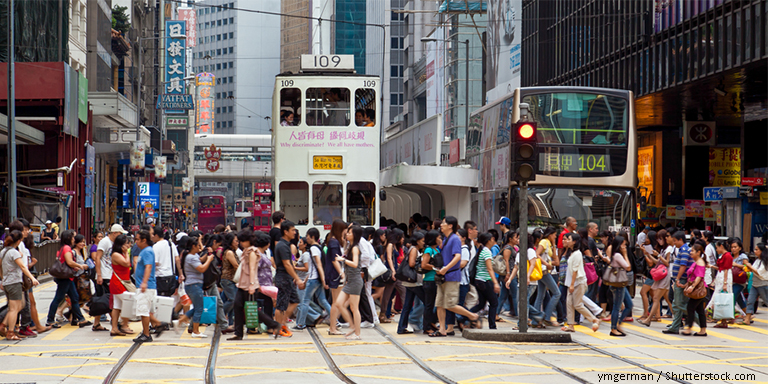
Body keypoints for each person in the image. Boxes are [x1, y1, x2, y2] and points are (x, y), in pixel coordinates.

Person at [229, 231, 280, 340]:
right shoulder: (246, 251)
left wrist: (252, 284)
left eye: (243, 241)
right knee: (238, 306)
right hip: (243, 284)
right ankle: (238, 333)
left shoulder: (252, 252)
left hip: (249, 284)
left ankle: (274, 324)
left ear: (249, 241)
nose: (241, 243)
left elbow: (253, 268)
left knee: (251, 309)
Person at [434, 216, 480, 337]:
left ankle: (472, 316)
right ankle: (442, 329)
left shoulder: (454, 239)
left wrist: (446, 268)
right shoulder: (445, 239)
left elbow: (457, 256)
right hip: (443, 276)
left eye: (443, 223)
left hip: (451, 276)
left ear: (450, 225)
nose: (441, 225)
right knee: (439, 303)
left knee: (450, 304)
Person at [45, 230, 90, 329]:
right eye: (73, 237)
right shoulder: (66, 248)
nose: (74, 239)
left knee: (74, 298)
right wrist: (80, 266)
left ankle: (81, 319)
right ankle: (50, 320)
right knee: (58, 298)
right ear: (68, 238)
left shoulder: (63, 247)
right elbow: (69, 262)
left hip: (68, 277)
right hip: (65, 278)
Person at [1, 230, 40, 340]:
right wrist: (32, 278)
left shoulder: (3, 251)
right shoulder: (14, 252)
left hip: (8, 283)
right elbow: (23, 267)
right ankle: (10, 332)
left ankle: (3, 325)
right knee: (14, 309)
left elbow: (0, 266)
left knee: (20, 305)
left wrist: (2, 279)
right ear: (18, 241)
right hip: (14, 283)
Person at [329, 225, 364, 340]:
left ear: (355, 235)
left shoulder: (355, 248)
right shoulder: (350, 246)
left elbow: (355, 264)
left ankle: (357, 333)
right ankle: (352, 325)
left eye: (349, 233)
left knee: (354, 308)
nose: (347, 234)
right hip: (350, 281)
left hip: (355, 281)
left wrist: (343, 259)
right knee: (339, 303)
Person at [133, 230, 169, 343]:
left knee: (143, 311)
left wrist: (144, 282)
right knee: (143, 310)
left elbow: (148, 267)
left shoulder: (147, 251)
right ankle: (157, 324)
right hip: (145, 286)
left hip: (146, 286)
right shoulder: (145, 251)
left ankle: (146, 334)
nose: (136, 242)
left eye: (138, 239)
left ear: (144, 240)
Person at [561, 232, 600, 332]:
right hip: (571, 283)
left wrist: (572, 284)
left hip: (578, 282)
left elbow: (575, 270)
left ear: (574, 242)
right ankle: (570, 325)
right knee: (569, 303)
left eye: (568, 239)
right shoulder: (572, 253)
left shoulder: (577, 254)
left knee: (577, 304)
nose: (566, 241)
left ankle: (594, 319)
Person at [273, 221, 305, 338]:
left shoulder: (285, 245)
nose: (295, 232)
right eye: (293, 230)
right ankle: (278, 327)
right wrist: (297, 278)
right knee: (281, 304)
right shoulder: (282, 245)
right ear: (285, 232)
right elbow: (287, 264)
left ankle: (282, 324)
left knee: (294, 300)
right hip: (283, 278)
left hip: (287, 278)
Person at [93, 224, 128, 332]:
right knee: (109, 301)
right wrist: (99, 275)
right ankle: (117, 323)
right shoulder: (105, 241)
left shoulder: (113, 243)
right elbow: (97, 258)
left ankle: (96, 323)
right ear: (114, 233)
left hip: (110, 274)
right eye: (120, 233)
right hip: (104, 275)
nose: (121, 235)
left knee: (103, 300)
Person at [296, 228, 331, 330]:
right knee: (323, 301)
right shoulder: (318, 247)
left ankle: (301, 324)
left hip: (314, 279)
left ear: (312, 237)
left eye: (307, 236)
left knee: (305, 301)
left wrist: (323, 280)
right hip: (316, 279)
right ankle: (335, 321)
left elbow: (318, 265)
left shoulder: (313, 249)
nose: (307, 238)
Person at [639, 229, 672, 326]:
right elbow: (657, 262)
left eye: (660, 239)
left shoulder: (668, 249)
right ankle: (678, 320)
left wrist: (658, 256)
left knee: (656, 298)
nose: (659, 241)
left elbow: (666, 263)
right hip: (661, 275)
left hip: (664, 275)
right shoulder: (663, 249)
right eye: (658, 239)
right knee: (667, 299)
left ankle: (648, 319)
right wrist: (648, 254)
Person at [663, 231, 693, 335]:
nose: (674, 243)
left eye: (675, 240)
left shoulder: (684, 250)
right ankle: (675, 327)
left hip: (682, 280)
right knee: (676, 304)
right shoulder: (681, 250)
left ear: (680, 240)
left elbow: (683, 266)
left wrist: (677, 279)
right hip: (679, 280)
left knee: (680, 304)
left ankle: (697, 319)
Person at [469, 233, 501, 329]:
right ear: (488, 241)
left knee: (481, 304)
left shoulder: (482, 250)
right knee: (494, 302)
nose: (493, 241)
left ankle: (465, 316)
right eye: (492, 239)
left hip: (479, 281)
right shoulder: (487, 252)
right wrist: (495, 283)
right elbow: (489, 269)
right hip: (485, 281)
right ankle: (492, 326)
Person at [397, 231, 426, 334]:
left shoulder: (414, 249)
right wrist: (422, 263)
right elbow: (412, 263)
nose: (424, 242)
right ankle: (427, 325)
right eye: (422, 241)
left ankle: (401, 328)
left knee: (407, 305)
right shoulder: (414, 250)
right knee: (427, 302)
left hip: (411, 282)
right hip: (414, 282)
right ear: (417, 241)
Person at [108, 234, 135, 337]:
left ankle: (115, 328)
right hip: (118, 283)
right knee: (128, 302)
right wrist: (126, 253)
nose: (129, 245)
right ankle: (124, 324)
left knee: (117, 306)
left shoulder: (120, 253)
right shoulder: (116, 254)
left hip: (123, 282)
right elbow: (126, 263)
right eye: (127, 243)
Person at [535, 227, 561, 327]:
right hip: (544, 271)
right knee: (557, 293)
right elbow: (537, 254)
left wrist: (554, 244)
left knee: (540, 296)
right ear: (550, 234)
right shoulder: (543, 242)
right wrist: (546, 263)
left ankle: (535, 320)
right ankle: (547, 316)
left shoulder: (549, 243)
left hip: (544, 271)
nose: (555, 236)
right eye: (554, 235)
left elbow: (555, 258)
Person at [608, 236, 633, 337]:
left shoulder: (617, 255)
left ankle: (618, 324)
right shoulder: (618, 255)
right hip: (617, 284)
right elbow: (628, 267)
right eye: (623, 244)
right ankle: (613, 328)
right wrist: (626, 254)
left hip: (621, 283)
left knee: (629, 305)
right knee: (616, 307)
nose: (625, 246)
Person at [681, 244, 708, 336]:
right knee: (700, 310)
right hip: (696, 289)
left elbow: (699, 277)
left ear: (698, 252)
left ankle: (688, 328)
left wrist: (692, 287)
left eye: (692, 251)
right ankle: (703, 330)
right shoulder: (696, 261)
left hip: (698, 290)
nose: (690, 252)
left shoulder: (700, 262)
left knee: (690, 308)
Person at [742, 243, 768, 325]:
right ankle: (747, 319)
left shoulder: (765, 261)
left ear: (762, 251)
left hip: (763, 284)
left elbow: (759, 272)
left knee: (767, 301)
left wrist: (749, 266)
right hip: (755, 284)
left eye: (757, 250)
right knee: (750, 301)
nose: (755, 251)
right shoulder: (757, 260)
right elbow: (754, 270)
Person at [219, 232, 240, 333]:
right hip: (228, 280)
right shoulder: (229, 252)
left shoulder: (232, 251)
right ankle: (220, 316)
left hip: (231, 280)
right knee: (233, 300)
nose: (237, 243)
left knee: (231, 302)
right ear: (231, 242)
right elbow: (236, 266)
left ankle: (231, 323)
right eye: (236, 241)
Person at [152, 227, 179, 298]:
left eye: (152, 235)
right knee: (167, 299)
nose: (151, 237)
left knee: (160, 299)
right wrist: (180, 273)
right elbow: (177, 259)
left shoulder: (156, 246)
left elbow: (155, 263)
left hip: (160, 276)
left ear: (156, 235)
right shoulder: (171, 244)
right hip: (170, 276)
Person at [326, 220, 345, 305]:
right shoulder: (334, 242)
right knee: (337, 301)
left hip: (336, 274)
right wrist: (342, 273)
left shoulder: (334, 241)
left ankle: (334, 318)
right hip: (336, 274)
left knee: (336, 301)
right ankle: (334, 318)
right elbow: (334, 260)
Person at [730, 240, 749, 312]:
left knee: (733, 297)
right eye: (732, 247)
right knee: (740, 300)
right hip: (731, 281)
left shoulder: (742, 256)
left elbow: (746, 267)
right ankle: (748, 316)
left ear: (740, 248)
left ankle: (730, 316)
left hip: (739, 281)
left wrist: (736, 265)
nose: (733, 249)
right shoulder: (730, 256)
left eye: (735, 247)